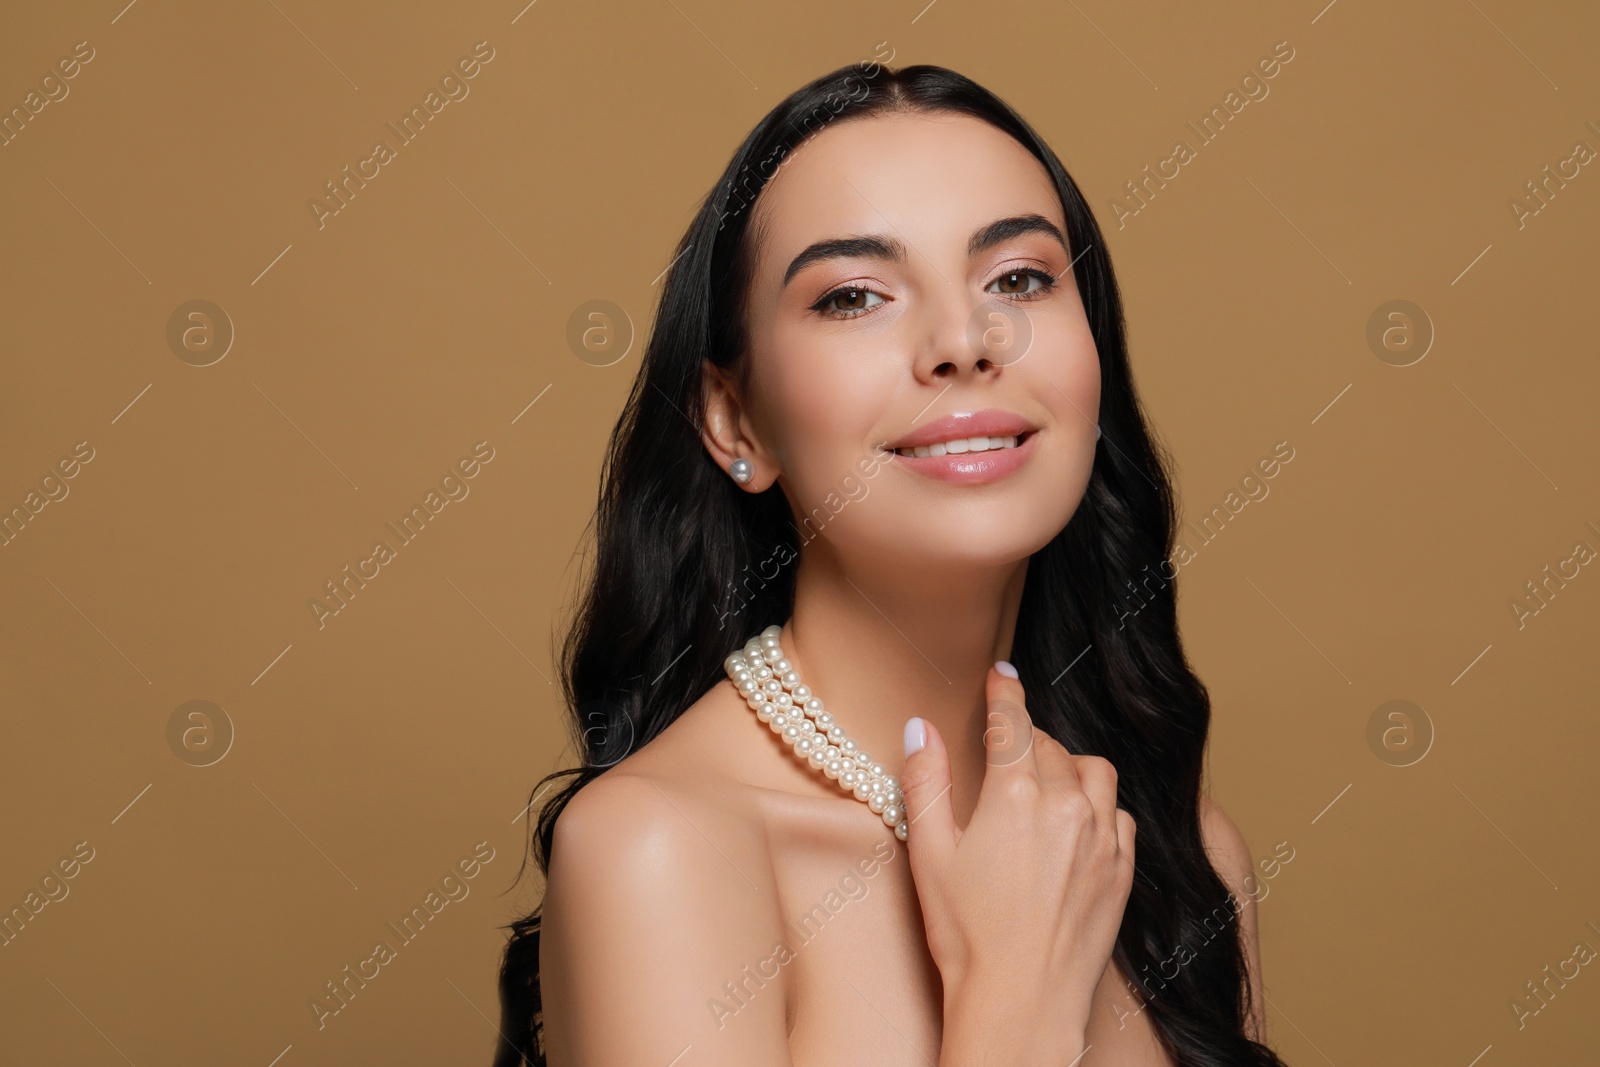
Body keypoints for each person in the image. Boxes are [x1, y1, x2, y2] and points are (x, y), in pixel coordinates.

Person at [493, 62, 1289, 1066]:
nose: (964, 339)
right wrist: (1014, 1004)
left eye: (1019, 278)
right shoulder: (657, 853)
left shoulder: (1166, 846)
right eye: (854, 296)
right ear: (734, 418)